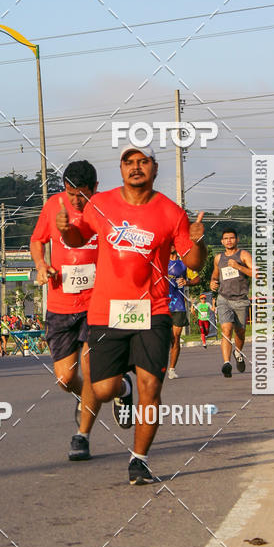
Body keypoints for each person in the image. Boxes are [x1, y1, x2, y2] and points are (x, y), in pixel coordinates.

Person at [56, 144, 206, 484]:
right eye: (129, 162)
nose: (135, 167)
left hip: (153, 310)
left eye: (143, 162)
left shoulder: (171, 213)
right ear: (121, 169)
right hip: (107, 312)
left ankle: (139, 460)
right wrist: (66, 230)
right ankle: (122, 389)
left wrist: (198, 241)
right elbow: (80, 237)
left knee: (151, 386)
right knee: (104, 388)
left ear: (154, 168)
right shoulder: (102, 203)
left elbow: (194, 264)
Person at [30, 160, 133, 463]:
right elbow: (37, 240)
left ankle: (82, 436)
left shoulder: (105, 209)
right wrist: (40, 265)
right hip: (60, 306)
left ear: (95, 189)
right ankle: (122, 387)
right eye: (71, 193)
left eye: (83, 194)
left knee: (92, 373)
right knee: (65, 379)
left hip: (96, 304)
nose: (77, 200)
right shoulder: (53, 206)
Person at [210, 228, 253, 378]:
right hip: (224, 299)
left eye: (232, 238)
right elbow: (215, 275)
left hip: (241, 300)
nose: (229, 240)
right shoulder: (218, 258)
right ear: (222, 241)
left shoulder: (243, 255)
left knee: (240, 333)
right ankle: (226, 363)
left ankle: (238, 352)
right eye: (226, 238)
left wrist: (238, 267)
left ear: (237, 240)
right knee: (226, 329)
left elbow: (256, 273)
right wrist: (212, 283)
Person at [167, 247, 198, 378]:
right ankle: (158, 367)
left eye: (174, 243)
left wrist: (187, 282)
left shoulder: (184, 263)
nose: (172, 246)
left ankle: (172, 369)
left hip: (178, 305)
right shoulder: (159, 261)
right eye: (170, 243)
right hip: (161, 304)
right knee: (161, 339)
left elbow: (197, 279)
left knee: (175, 338)